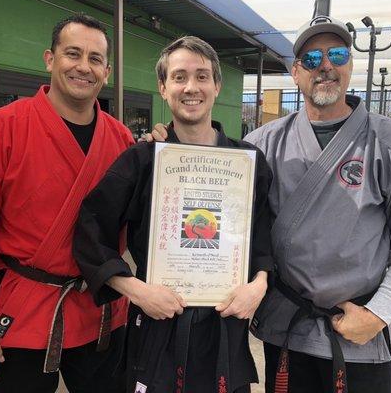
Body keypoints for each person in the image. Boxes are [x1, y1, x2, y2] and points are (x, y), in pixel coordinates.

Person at [0, 13, 135, 393]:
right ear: (49, 59)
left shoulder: (122, 141)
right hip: (25, 310)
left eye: (95, 59)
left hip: (100, 307)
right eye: (72, 53)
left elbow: (146, 219)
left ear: (106, 71)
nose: (83, 67)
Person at [242, 16, 391, 393]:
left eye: (336, 54)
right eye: (312, 58)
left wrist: (379, 313)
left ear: (349, 64)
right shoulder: (262, 144)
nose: (325, 66)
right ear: (296, 72)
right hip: (289, 325)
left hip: (359, 330)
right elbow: (222, 194)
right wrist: (166, 143)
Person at [73, 36, 273, 393]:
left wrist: (259, 285)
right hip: (158, 320)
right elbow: (91, 229)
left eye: (201, 76)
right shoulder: (143, 160)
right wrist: (135, 290)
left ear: (216, 86)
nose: (191, 87)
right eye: (179, 77)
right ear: (163, 88)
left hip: (224, 323)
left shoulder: (249, 162)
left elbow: (263, 234)